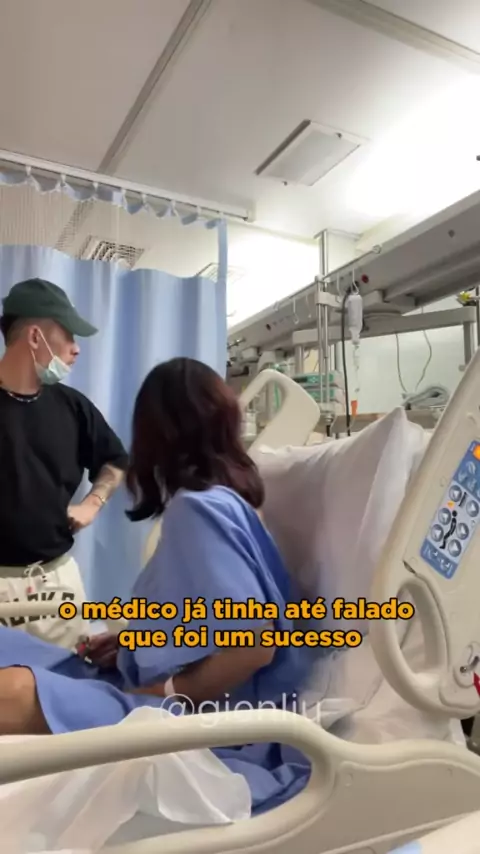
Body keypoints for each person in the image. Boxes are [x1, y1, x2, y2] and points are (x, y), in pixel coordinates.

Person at [0, 357, 312, 814]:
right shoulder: (218, 503)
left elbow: (254, 644)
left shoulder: (198, 511)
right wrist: (134, 641)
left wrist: (165, 692)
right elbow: (204, 619)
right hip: (151, 683)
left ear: (155, 432)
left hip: (203, 718)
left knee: (13, 692)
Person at [0, 278, 128, 625]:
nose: (77, 348)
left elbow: (115, 459)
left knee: (74, 662)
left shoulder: (73, 407)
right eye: (69, 335)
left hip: (57, 583)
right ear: (35, 336)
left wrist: (93, 502)